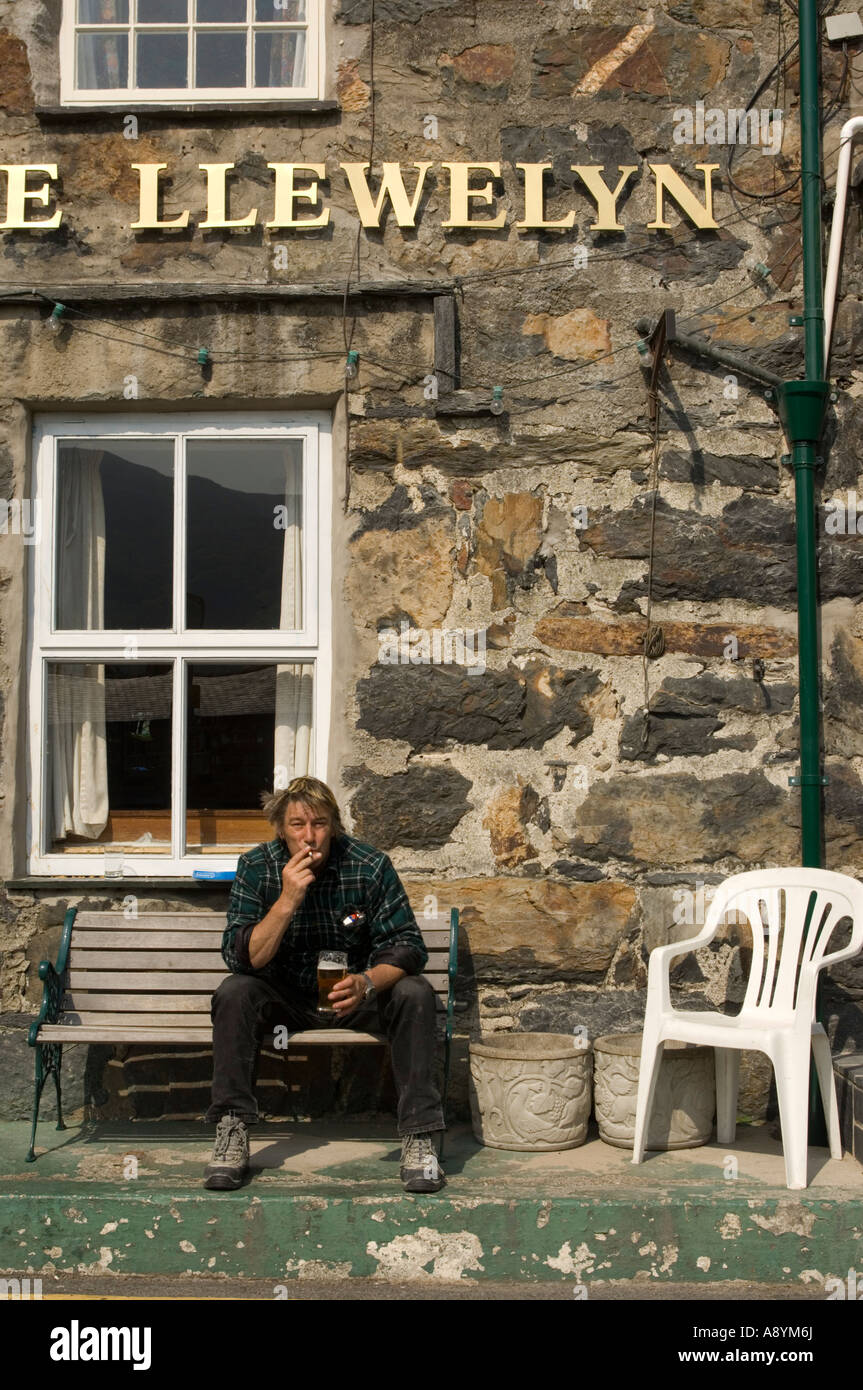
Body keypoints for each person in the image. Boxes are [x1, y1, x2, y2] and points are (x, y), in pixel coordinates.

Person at [204, 775, 445, 1193]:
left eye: (319, 824)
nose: (309, 836)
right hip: (285, 998)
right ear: (281, 828)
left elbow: (408, 947)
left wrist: (368, 982)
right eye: (297, 825)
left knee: (415, 992)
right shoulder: (257, 866)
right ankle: (232, 1129)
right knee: (234, 991)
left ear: (334, 825)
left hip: (354, 997)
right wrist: (287, 899)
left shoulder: (368, 865)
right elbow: (241, 957)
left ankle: (419, 1137)